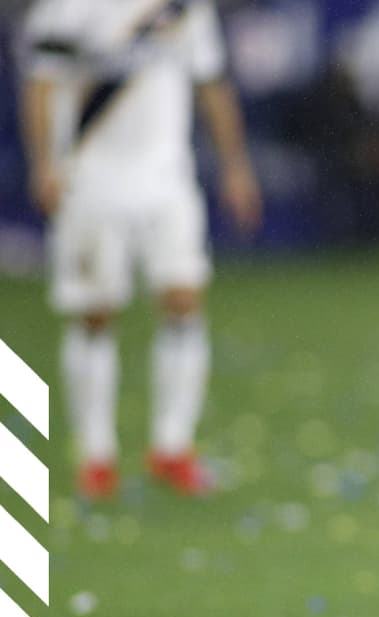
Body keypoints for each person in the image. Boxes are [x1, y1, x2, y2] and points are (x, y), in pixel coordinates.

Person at [19, 0, 262, 499]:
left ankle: (173, 447)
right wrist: (43, 162)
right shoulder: (63, 9)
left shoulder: (186, 8)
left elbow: (212, 83)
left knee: (183, 299)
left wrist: (235, 165)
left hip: (166, 177)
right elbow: (40, 84)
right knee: (94, 313)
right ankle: (96, 455)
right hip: (88, 177)